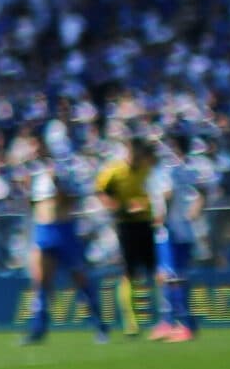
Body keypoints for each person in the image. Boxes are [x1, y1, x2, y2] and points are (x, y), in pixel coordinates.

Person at [20, 146, 111, 345]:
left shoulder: (63, 169)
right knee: (40, 281)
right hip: (42, 230)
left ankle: (100, 324)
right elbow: (34, 204)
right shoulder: (35, 174)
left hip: (63, 230)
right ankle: (38, 329)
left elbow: (72, 199)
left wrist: (57, 183)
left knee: (79, 278)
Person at [96, 136, 160, 337]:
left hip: (147, 223)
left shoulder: (148, 171)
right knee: (129, 272)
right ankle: (130, 322)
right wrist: (120, 207)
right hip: (126, 225)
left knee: (154, 270)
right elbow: (101, 192)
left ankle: (162, 317)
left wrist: (145, 205)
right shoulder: (114, 170)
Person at [150, 138, 207, 341]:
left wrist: (161, 219)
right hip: (186, 229)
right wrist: (193, 213)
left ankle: (182, 324)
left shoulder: (167, 170)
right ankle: (170, 321)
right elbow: (202, 194)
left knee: (170, 275)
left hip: (169, 230)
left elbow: (167, 194)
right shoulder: (190, 169)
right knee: (174, 274)